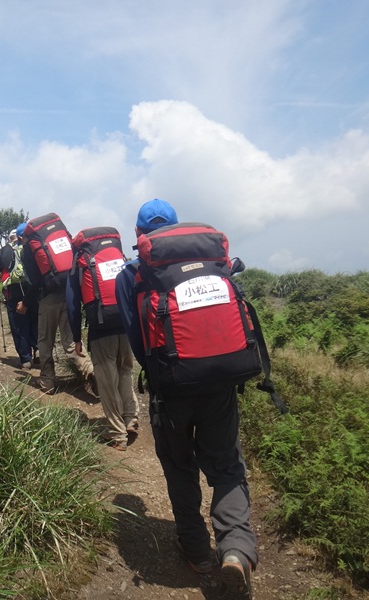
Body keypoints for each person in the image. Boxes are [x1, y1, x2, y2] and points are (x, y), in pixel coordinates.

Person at [115, 199, 256, 598]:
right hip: (221, 383)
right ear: (177, 229)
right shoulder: (212, 263)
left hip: (171, 387)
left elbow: (136, 337)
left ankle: (197, 551)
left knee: (179, 466)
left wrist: (162, 372)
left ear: (139, 235)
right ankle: (236, 548)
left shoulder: (133, 274)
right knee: (226, 466)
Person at [66, 236, 139, 451]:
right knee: (125, 372)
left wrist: (77, 338)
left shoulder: (80, 262)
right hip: (125, 324)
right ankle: (130, 418)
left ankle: (117, 434)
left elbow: (72, 304)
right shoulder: (116, 257)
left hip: (101, 329)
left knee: (107, 381)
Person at [17, 221, 94, 394]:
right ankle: (90, 370)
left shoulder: (29, 249)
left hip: (48, 298)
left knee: (45, 341)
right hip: (69, 294)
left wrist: (25, 303)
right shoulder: (55, 241)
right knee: (71, 341)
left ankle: (47, 381)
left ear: (23, 238)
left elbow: (34, 282)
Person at [0, 229, 38, 369]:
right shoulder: (30, 246)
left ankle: (26, 359)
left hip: (14, 292)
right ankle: (38, 349)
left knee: (19, 325)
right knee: (35, 320)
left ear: (9, 238)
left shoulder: (4, 251)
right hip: (33, 290)